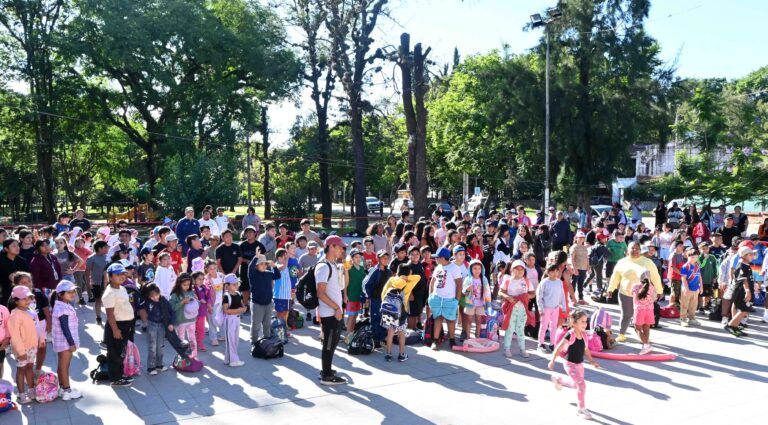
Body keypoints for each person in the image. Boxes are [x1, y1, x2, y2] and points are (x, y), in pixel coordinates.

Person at [607, 241, 664, 343]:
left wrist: (660, 290)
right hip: (625, 293)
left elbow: (655, 277)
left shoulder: (647, 262)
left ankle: (644, 337)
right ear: (627, 250)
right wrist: (610, 289)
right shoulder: (622, 262)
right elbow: (615, 277)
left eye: (637, 248)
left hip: (642, 295)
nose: (635, 250)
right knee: (626, 315)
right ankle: (622, 334)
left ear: (640, 250)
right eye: (632, 248)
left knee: (641, 317)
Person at [548, 309, 599, 420]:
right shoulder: (570, 335)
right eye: (582, 321)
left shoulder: (584, 335)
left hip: (579, 364)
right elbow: (558, 348)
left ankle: (559, 380)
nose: (585, 324)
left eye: (586, 321)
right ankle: (581, 409)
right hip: (570, 364)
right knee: (581, 384)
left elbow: (586, 349)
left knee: (576, 385)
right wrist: (552, 360)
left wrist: (591, 361)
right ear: (574, 323)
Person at [315, 235, 347, 385]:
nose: (342, 250)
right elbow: (320, 293)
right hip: (329, 313)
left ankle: (326, 369)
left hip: (334, 312)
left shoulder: (333, 264)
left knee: (332, 343)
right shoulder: (323, 266)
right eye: (340, 247)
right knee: (328, 344)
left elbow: (340, 286)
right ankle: (326, 376)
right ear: (331, 246)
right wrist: (336, 308)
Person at [102, 263, 135, 387]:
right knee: (115, 353)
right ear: (110, 277)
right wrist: (115, 329)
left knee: (121, 351)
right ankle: (115, 379)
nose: (122, 276)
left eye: (123, 274)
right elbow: (110, 314)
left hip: (126, 325)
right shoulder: (110, 293)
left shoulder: (121, 288)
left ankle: (120, 374)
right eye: (117, 274)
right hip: (117, 326)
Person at [8, 285, 42, 404]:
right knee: (21, 369)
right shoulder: (15, 315)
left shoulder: (31, 311)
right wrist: (21, 352)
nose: (28, 301)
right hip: (22, 349)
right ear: (15, 300)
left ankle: (31, 391)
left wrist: (41, 339)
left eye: (29, 298)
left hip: (32, 346)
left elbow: (37, 326)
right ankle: (22, 395)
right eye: (24, 299)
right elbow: (15, 336)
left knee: (29, 367)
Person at [380, 264, 420, 362]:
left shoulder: (392, 280)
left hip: (390, 310)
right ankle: (402, 355)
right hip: (402, 311)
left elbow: (383, 294)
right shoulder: (409, 282)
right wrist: (407, 277)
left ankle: (388, 354)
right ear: (409, 273)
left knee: (390, 332)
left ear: (397, 272)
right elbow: (418, 277)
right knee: (401, 333)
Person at [51, 280, 83, 400]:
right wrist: (71, 343)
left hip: (63, 342)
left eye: (73, 291)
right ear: (60, 294)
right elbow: (65, 327)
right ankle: (67, 390)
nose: (73, 294)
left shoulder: (62, 305)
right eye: (69, 292)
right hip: (65, 342)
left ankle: (62, 388)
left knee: (62, 365)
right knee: (65, 366)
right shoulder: (62, 308)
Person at [499, 259, 534, 358]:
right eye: (516, 269)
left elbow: (533, 293)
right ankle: (507, 349)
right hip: (511, 309)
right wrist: (508, 297)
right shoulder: (507, 280)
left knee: (520, 330)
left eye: (521, 269)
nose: (519, 271)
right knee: (509, 329)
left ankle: (522, 349)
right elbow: (500, 292)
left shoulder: (527, 281)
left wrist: (526, 296)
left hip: (522, 310)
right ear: (512, 270)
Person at [141, 283, 173, 375]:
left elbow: (171, 311)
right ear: (148, 296)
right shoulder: (146, 301)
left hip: (162, 325)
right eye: (152, 296)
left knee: (160, 346)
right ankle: (151, 367)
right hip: (152, 325)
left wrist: (171, 323)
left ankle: (159, 365)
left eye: (156, 295)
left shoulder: (163, 300)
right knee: (152, 347)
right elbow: (139, 305)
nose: (155, 297)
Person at [247, 254, 280, 342]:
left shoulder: (269, 273)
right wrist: (256, 257)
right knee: (256, 325)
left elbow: (278, 276)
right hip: (257, 304)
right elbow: (250, 268)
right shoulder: (253, 274)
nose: (264, 266)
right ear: (256, 266)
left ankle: (267, 340)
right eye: (261, 264)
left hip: (268, 303)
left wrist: (274, 266)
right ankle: (253, 341)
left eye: (265, 264)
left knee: (267, 324)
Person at [724, 246, 755, 337]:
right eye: (750, 254)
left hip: (744, 290)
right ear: (744, 256)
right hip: (742, 291)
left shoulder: (746, 265)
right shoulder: (742, 265)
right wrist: (747, 291)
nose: (752, 256)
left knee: (744, 310)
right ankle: (730, 325)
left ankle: (735, 326)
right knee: (744, 309)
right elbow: (744, 280)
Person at [364, 250, 392, 346]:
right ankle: (375, 339)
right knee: (375, 318)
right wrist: (367, 296)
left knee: (384, 319)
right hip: (375, 298)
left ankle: (382, 338)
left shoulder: (389, 272)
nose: (385, 259)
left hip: (385, 299)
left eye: (386, 258)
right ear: (378, 259)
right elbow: (366, 284)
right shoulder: (374, 270)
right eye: (383, 257)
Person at [537, 264, 566, 353]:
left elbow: (562, 295)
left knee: (553, 326)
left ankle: (552, 343)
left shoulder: (559, 282)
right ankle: (540, 343)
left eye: (556, 271)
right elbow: (539, 296)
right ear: (548, 272)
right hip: (546, 308)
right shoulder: (544, 282)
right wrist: (540, 308)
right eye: (552, 272)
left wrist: (563, 306)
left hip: (555, 308)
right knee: (544, 326)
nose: (555, 273)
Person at [169, 273, 198, 358]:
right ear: (179, 283)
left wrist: (196, 300)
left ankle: (194, 355)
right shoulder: (175, 295)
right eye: (184, 285)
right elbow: (172, 307)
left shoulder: (191, 293)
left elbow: (196, 305)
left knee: (192, 338)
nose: (187, 286)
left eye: (188, 284)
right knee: (181, 339)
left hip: (191, 320)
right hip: (181, 321)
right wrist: (182, 302)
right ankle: (181, 355)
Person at [461, 260, 491, 339]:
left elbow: (488, 292)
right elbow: (464, 292)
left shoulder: (484, 279)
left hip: (480, 304)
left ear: (482, 269)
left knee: (478, 322)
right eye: (474, 268)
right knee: (469, 321)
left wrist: (488, 304)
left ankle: (477, 337)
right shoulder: (468, 279)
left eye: (479, 268)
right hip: (470, 304)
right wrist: (467, 289)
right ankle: (468, 337)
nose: (477, 270)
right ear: (470, 269)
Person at [222, 274, 245, 367]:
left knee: (235, 339)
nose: (236, 286)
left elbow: (242, 305)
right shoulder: (226, 296)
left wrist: (243, 308)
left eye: (237, 284)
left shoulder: (239, 294)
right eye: (233, 284)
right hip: (230, 320)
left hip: (237, 319)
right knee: (230, 340)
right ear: (227, 286)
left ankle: (228, 359)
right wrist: (239, 310)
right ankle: (234, 360)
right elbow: (225, 310)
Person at [631, 271, 657, 354]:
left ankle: (646, 345)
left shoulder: (636, 286)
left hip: (639, 310)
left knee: (637, 328)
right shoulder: (652, 286)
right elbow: (654, 298)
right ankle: (646, 345)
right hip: (650, 310)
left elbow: (635, 299)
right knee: (646, 329)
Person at [343, 248, 366, 337]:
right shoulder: (349, 268)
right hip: (351, 296)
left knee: (355, 316)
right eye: (356, 257)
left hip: (358, 296)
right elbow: (345, 283)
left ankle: (351, 334)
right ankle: (348, 335)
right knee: (351, 316)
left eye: (359, 257)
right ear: (351, 258)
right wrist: (345, 295)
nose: (358, 259)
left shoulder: (362, 268)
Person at [679, 248, 702, 327]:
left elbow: (699, 276)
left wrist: (701, 287)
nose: (694, 259)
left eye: (696, 257)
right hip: (687, 288)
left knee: (693, 305)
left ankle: (692, 318)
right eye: (692, 257)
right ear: (688, 256)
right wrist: (686, 289)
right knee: (684, 304)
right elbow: (683, 278)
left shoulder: (697, 265)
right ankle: (683, 319)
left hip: (696, 288)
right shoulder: (685, 266)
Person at [204, 260, 224, 346]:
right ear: (207, 269)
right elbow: (206, 294)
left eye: (215, 268)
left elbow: (226, 286)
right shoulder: (206, 279)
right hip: (212, 303)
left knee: (222, 319)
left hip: (222, 302)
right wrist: (208, 305)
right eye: (211, 269)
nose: (213, 270)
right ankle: (214, 338)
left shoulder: (221, 276)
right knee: (212, 320)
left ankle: (223, 335)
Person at [192, 271, 213, 352]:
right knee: (192, 329)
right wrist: (199, 300)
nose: (201, 281)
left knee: (201, 328)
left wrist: (209, 305)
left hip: (202, 313)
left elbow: (209, 298)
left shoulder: (206, 289)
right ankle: (193, 343)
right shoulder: (192, 289)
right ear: (194, 280)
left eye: (202, 279)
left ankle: (200, 342)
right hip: (192, 313)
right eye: (199, 279)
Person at [570, 231, 589, 304]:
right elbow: (572, 259)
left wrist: (588, 267)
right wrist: (574, 269)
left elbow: (587, 258)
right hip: (576, 268)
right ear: (576, 238)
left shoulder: (584, 247)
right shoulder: (574, 247)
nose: (581, 239)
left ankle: (581, 298)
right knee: (573, 283)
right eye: (580, 238)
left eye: (583, 238)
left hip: (583, 268)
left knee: (581, 284)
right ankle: (572, 299)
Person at [667, 241, 686, 306]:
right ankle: (670, 307)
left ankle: (676, 307)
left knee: (679, 294)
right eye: (680, 246)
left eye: (682, 246)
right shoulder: (673, 255)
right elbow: (673, 267)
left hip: (680, 278)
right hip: (674, 278)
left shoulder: (681, 255)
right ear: (675, 247)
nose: (682, 247)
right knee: (674, 294)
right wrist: (682, 273)